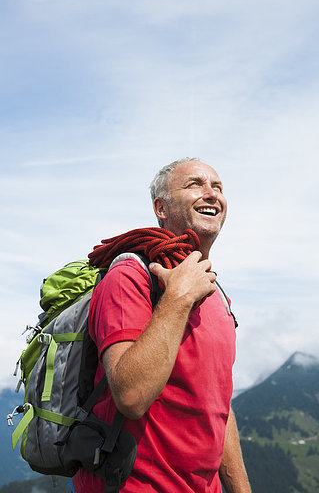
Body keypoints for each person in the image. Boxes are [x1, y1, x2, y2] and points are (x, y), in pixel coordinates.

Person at [72, 158, 251, 493]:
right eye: (195, 184)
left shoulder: (215, 294)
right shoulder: (130, 277)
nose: (211, 194)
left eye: (218, 187)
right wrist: (178, 299)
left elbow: (218, 402)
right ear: (161, 207)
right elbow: (131, 396)